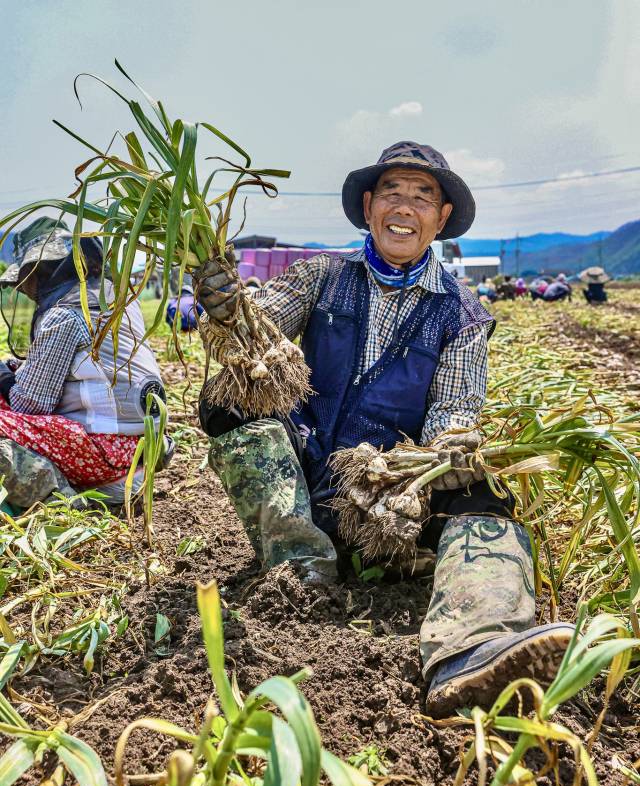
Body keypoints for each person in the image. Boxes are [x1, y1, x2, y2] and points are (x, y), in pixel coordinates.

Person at [193, 141, 574, 718]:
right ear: (369, 206)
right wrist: (228, 312)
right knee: (227, 401)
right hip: (302, 474)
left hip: (387, 505)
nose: (405, 207)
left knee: (483, 492)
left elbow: (452, 411)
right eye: (392, 192)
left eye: (423, 196)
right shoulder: (321, 276)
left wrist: (426, 464)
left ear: (441, 219)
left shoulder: (461, 314)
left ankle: (472, 647)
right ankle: (299, 572)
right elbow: (256, 340)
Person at [0, 218, 171, 509]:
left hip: (106, 455)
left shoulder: (64, 315)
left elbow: (30, 404)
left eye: (26, 279)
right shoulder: (120, 300)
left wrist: (4, 378)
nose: (24, 289)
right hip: (146, 446)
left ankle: (62, 498)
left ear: (42, 271)